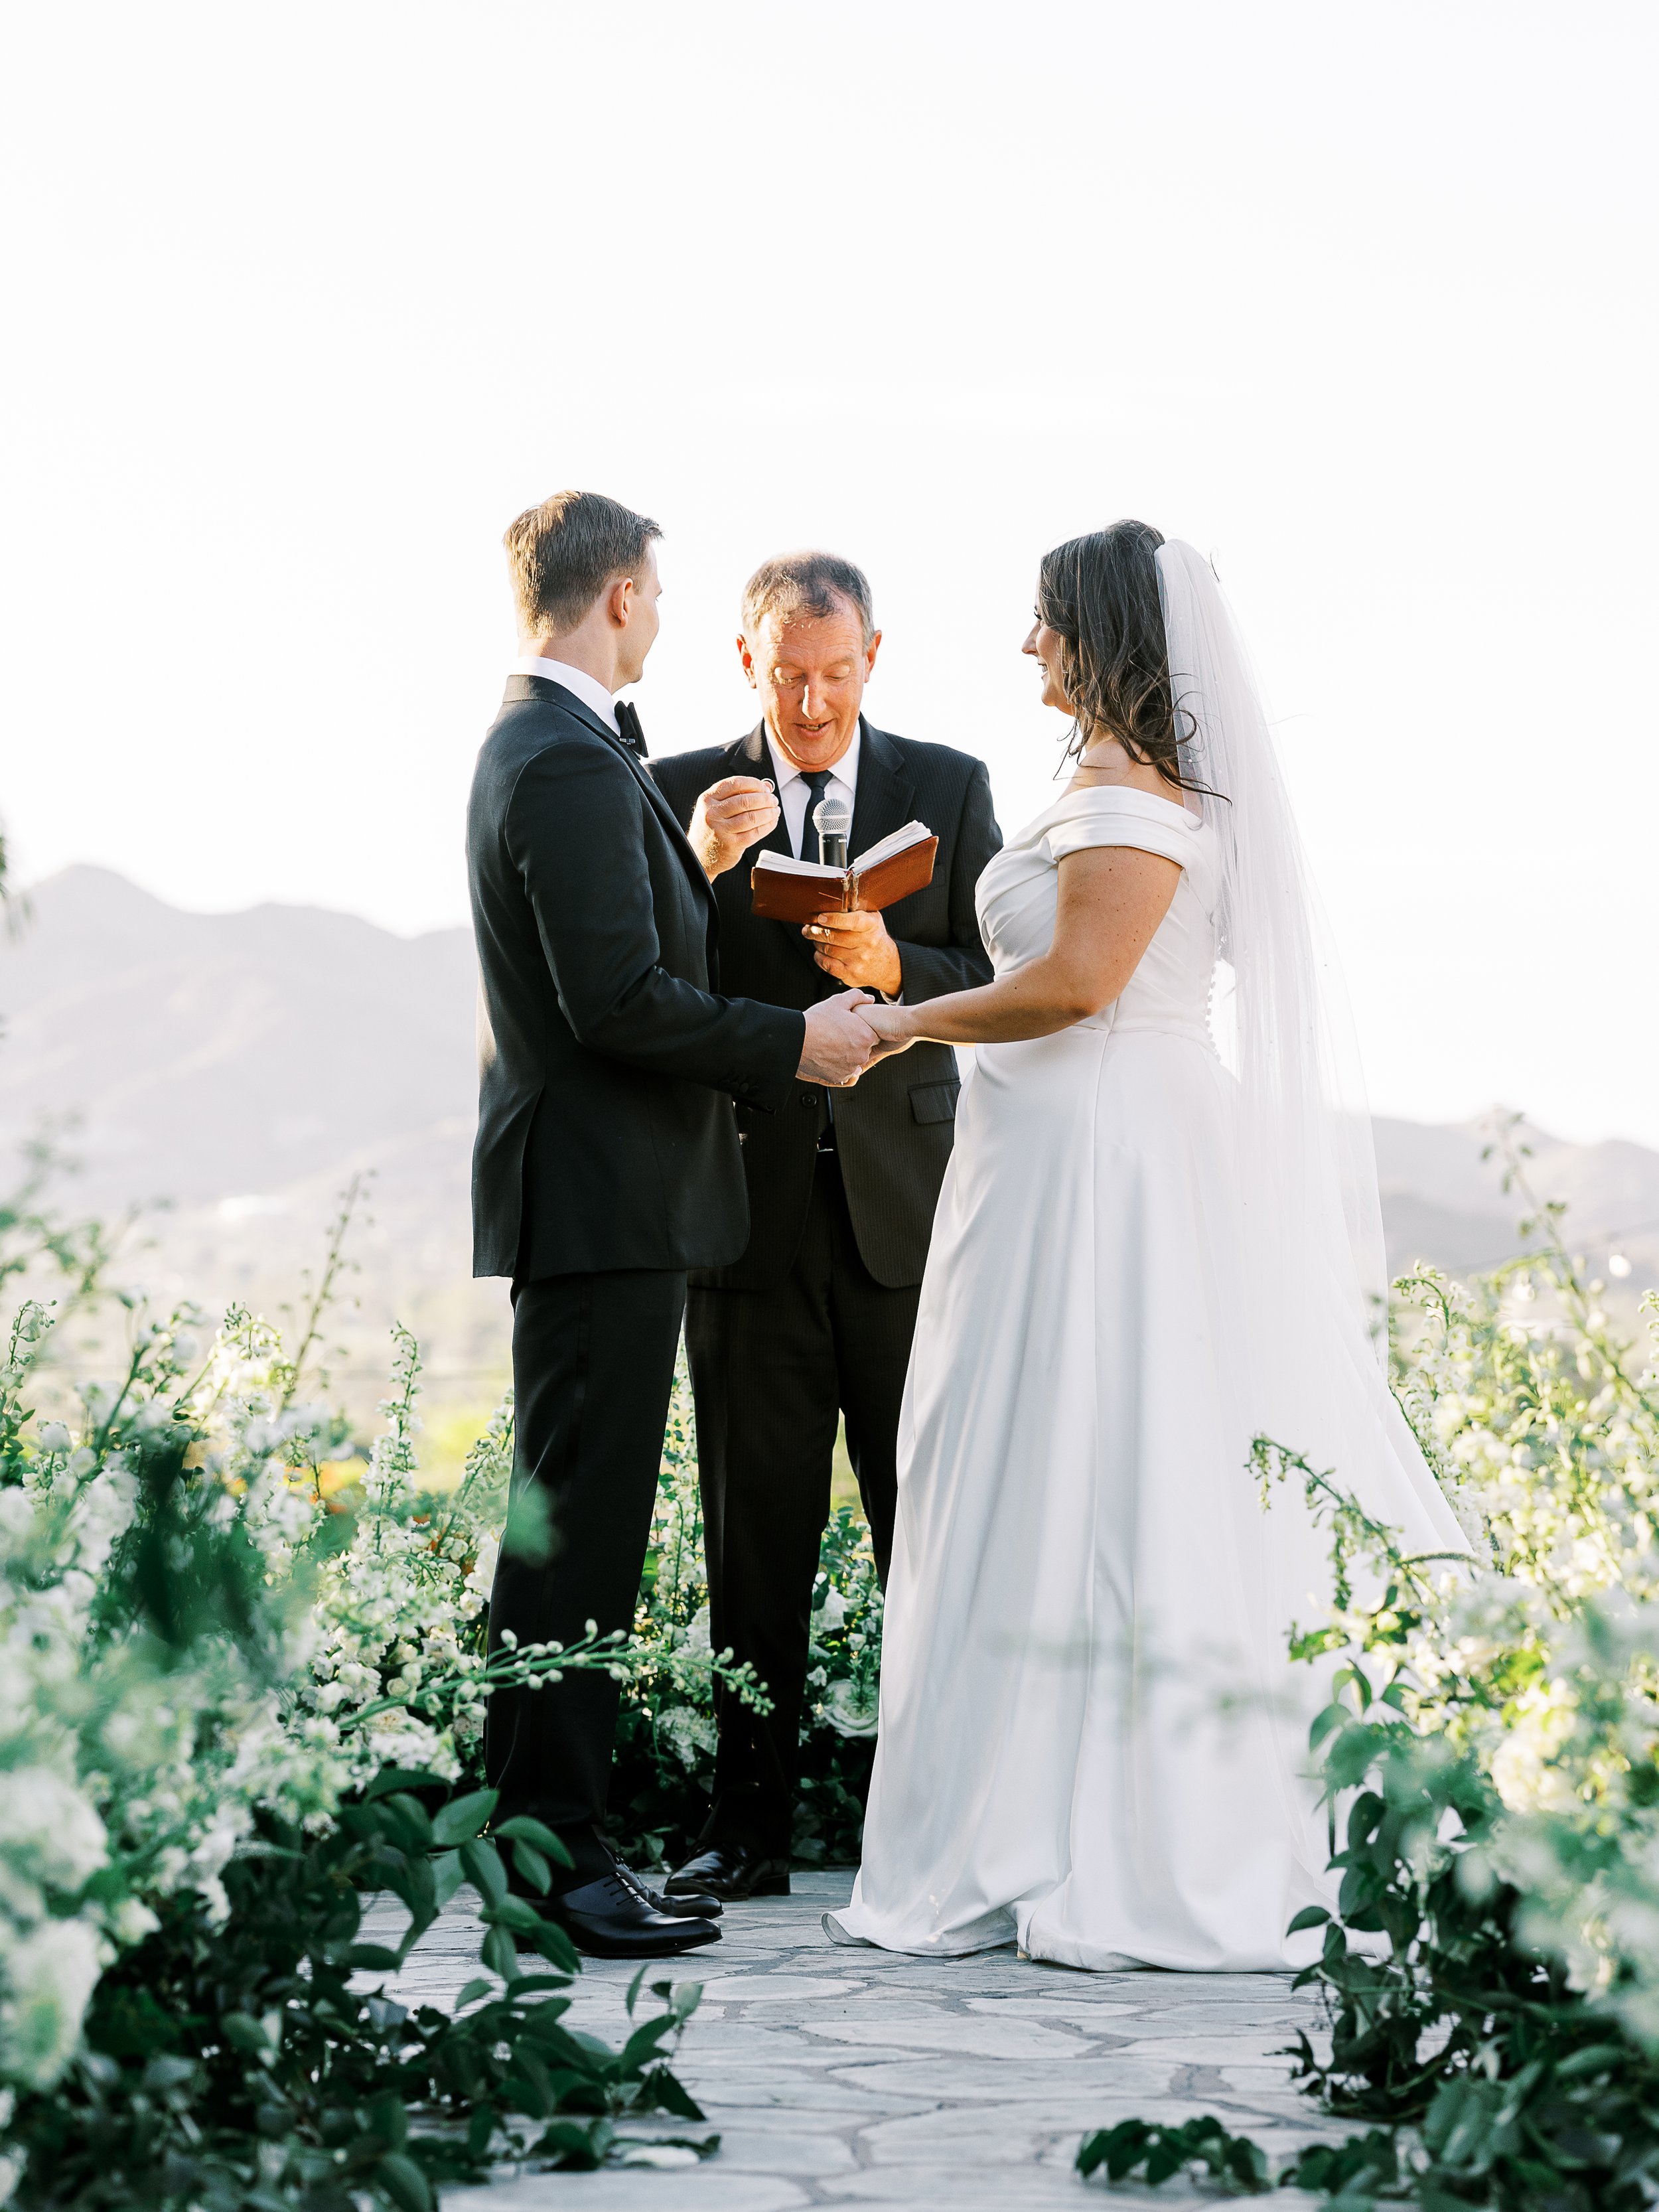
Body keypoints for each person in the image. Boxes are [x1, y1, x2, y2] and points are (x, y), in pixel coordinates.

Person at [827, 522, 1467, 1970]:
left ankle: (1112, 1829)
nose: (1023, 645)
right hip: (1061, 1145)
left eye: (1041, 619)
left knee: (1096, 1454)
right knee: (1031, 1453)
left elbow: (1072, 984)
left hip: (1103, 1157)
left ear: (1098, 632)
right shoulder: (1111, 788)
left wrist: (895, 1024)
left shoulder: (1127, 801)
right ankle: (1025, 1799)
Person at [467, 491, 880, 1959]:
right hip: (603, 1198)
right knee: (576, 1539)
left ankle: (546, 1841)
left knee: (568, 1528)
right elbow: (619, 1005)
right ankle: (556, 1858)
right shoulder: (565, 757)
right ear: (624, 597)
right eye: (656, 589)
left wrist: (689, 870)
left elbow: (621, 955)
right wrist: (797, 1045)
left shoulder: (555, 744)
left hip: (603, 1199)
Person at [649, 553, 1001, 1903]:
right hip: (742, 1215)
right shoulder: (682, 790)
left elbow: (1009, 972)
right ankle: (746, 1830)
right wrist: (698, 865)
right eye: (786, 673)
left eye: (834, 672)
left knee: (929, 1523)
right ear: (744, 658)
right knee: (753, 1536)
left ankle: (943, 1827)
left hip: (908, 1221)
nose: (809, 699)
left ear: (872, 656)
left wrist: (896, 966)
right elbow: (638, 976)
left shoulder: (949, 787)